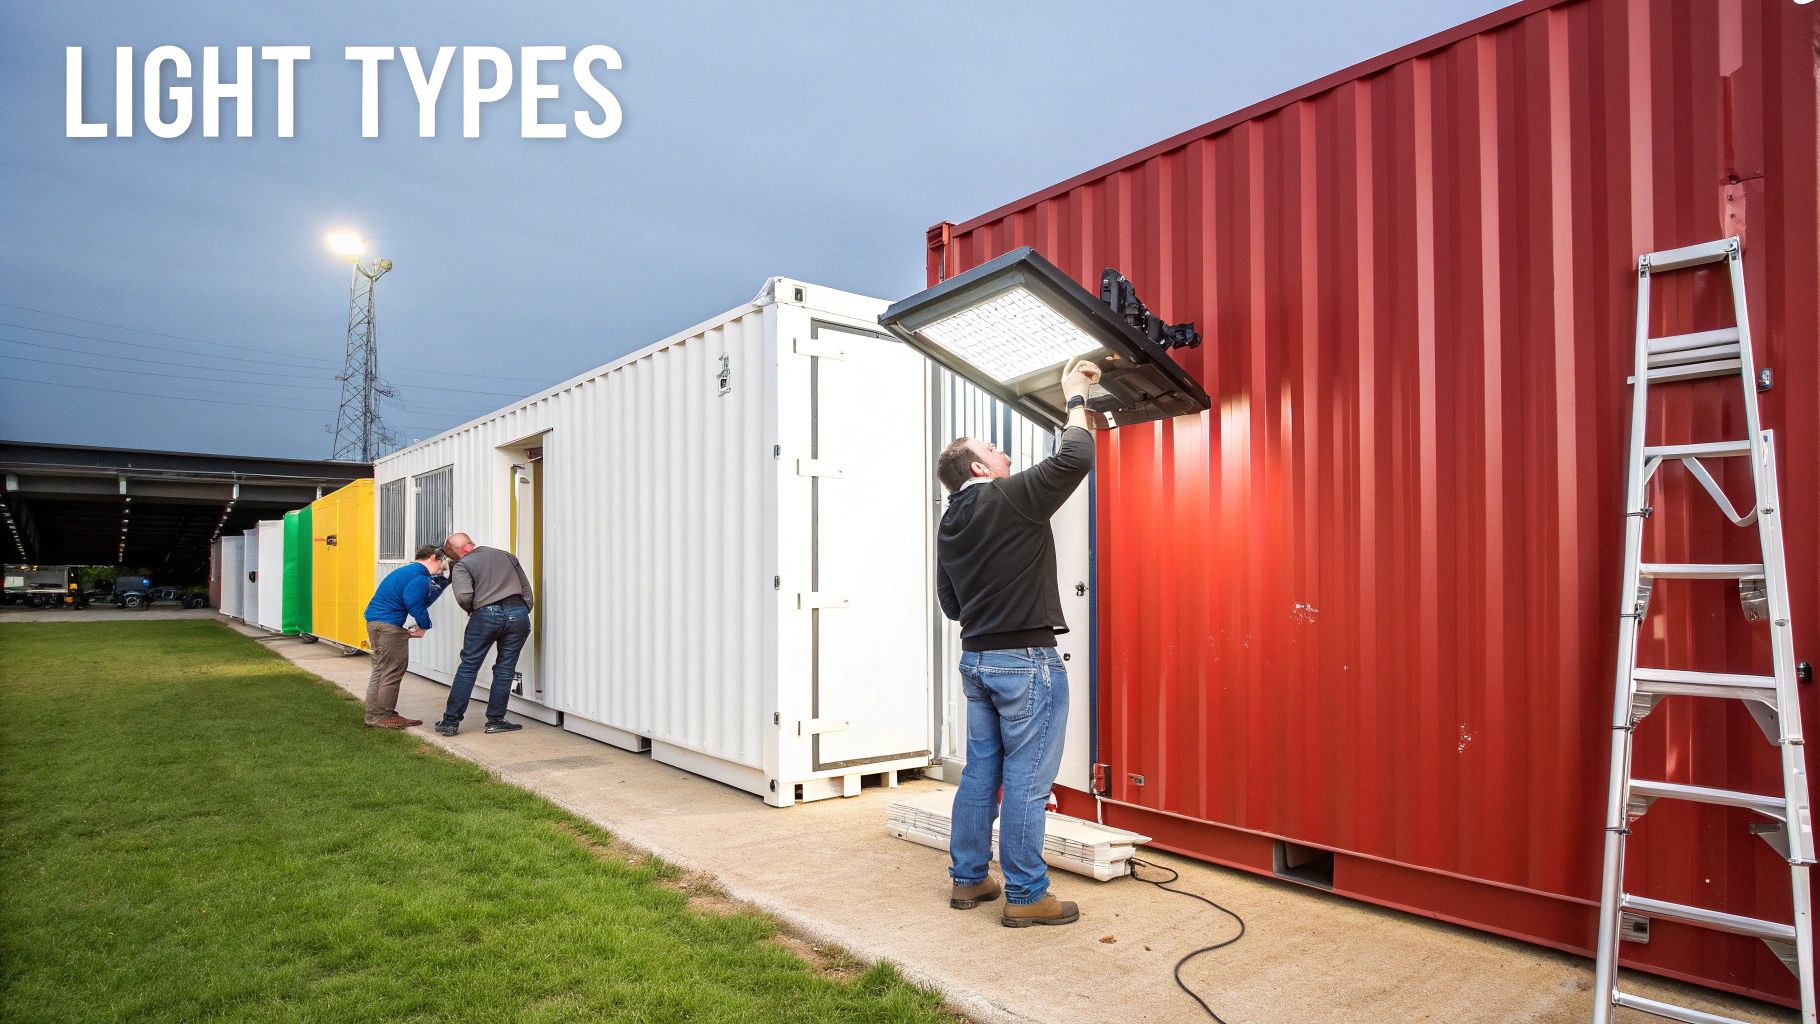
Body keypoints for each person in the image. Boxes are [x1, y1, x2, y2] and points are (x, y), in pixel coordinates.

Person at [936, 358, 1100, 928]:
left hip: (976, 661)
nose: (1007, 455)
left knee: (981, 773)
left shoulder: (950, 522)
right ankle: (1028, 896)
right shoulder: (1007, 497)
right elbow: (1076, 457)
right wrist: (1074, 395)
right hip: (1026, 662)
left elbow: (951, 605)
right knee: (1028, 783)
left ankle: (969, 879)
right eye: (997, 450)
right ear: (981, 467)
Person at [435, 531, 535, 736]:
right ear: (471, 543)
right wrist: (523, 609)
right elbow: (526, 588)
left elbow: (464, 595)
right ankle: (496, 720)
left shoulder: (462, 565)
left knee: (469, 666)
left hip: (486, 615)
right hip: (518, 613)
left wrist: (475, 609)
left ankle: (450, 722)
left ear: (456, 552)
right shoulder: (506, 556)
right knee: (506, 668)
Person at [361, 544, 450, 729]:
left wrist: (444, 581)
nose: (442, 566)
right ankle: (383, 716)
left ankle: (374, 714)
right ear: (433, 557)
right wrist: (424, 626)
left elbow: (419, 598)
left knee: (380, 669)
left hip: (375, 623)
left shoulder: (406, 572)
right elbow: (414, 603)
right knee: (393, 670)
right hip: (388, 627)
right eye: (441, 561)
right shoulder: (418, 576)